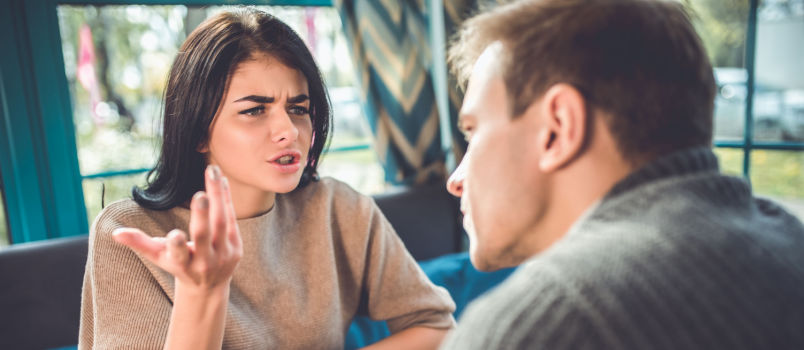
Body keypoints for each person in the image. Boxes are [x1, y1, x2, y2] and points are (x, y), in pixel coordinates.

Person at [78, 8, 455, 350]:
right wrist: (201, 293)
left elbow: (435, 323)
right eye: (255, 110)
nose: (288, 130)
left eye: (298, 108)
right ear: (198, 132)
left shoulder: (338, 207)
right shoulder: (130, 233)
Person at [439, 0, 804, 349]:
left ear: (557, 128)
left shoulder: (544, 320)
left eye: (473, 132)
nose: (455, 180)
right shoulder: (787, 240)